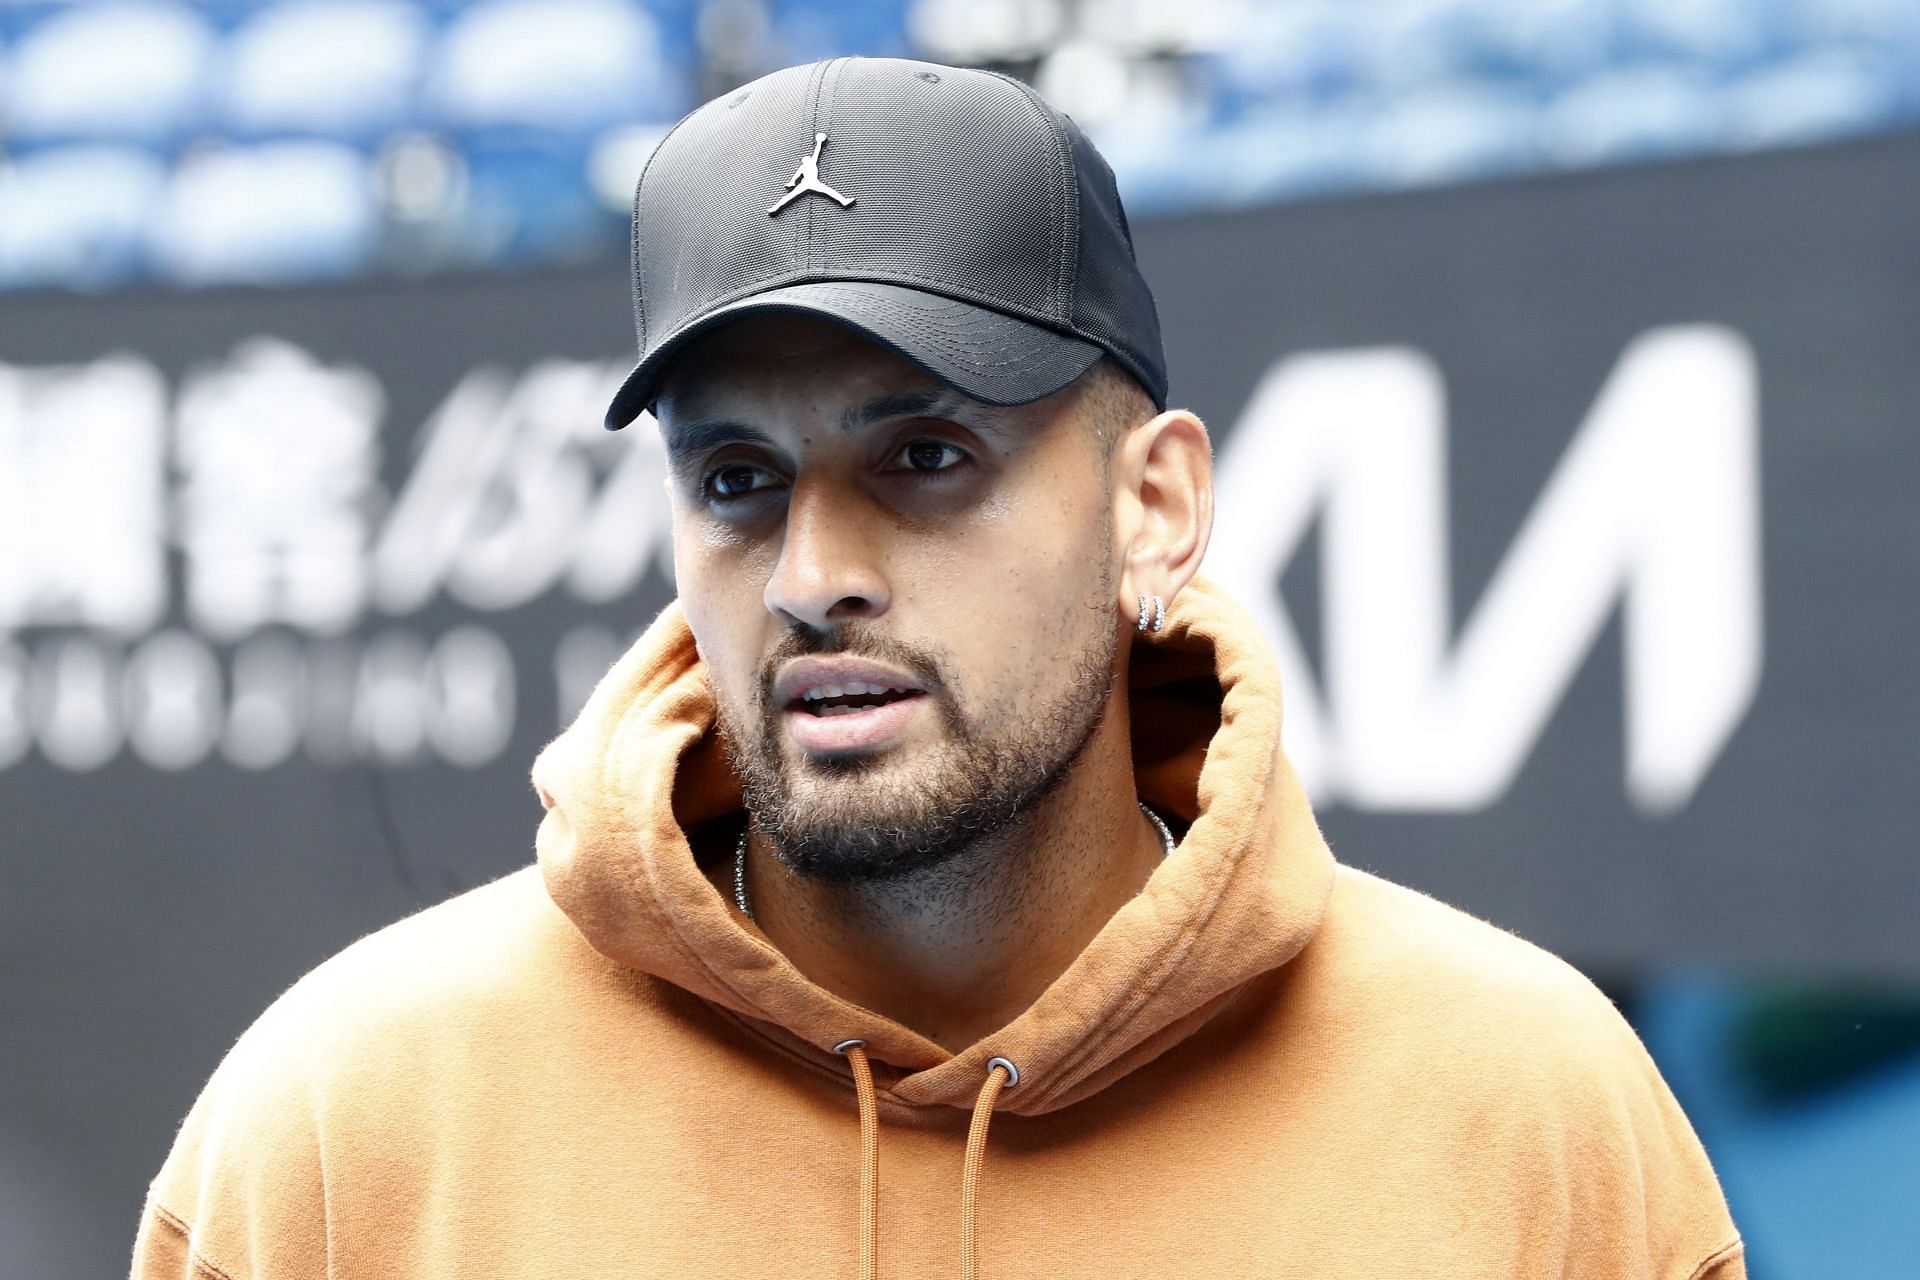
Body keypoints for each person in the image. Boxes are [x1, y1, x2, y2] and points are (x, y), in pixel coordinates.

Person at [132, 56, 1745, 1280]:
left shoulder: (1529, 1115)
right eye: (738, 480)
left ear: (1154, 504)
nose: (817, 577)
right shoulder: (346, 1134)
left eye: (924, 455)